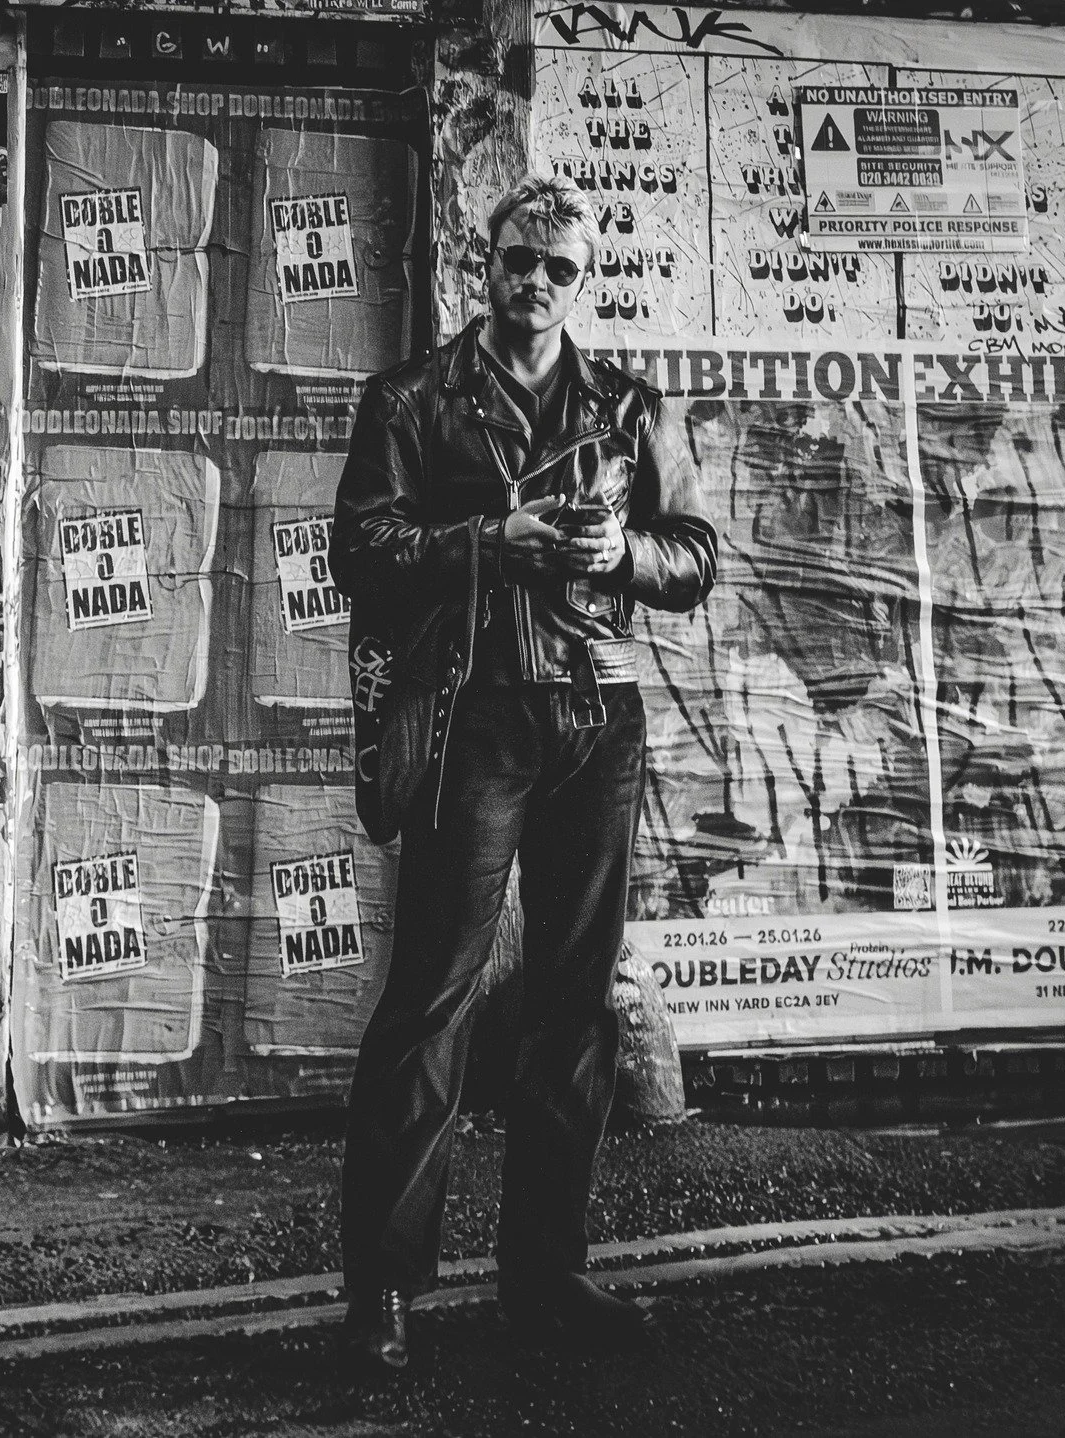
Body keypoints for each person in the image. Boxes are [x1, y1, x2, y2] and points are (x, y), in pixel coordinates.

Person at [329, 176, 718, 1370]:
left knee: (573, 1004)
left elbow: (697, 556)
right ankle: (384, 1294)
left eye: (558, 266)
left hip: (599, 719)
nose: (535, 281)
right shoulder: (411, 398)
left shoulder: (629, 405)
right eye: (516, 259)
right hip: (471, 719)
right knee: (432, 1002)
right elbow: (359, 550)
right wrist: (485, 543)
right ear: (480, 264)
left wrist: (629, 550)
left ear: (582, 280)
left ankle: (545, 1276)